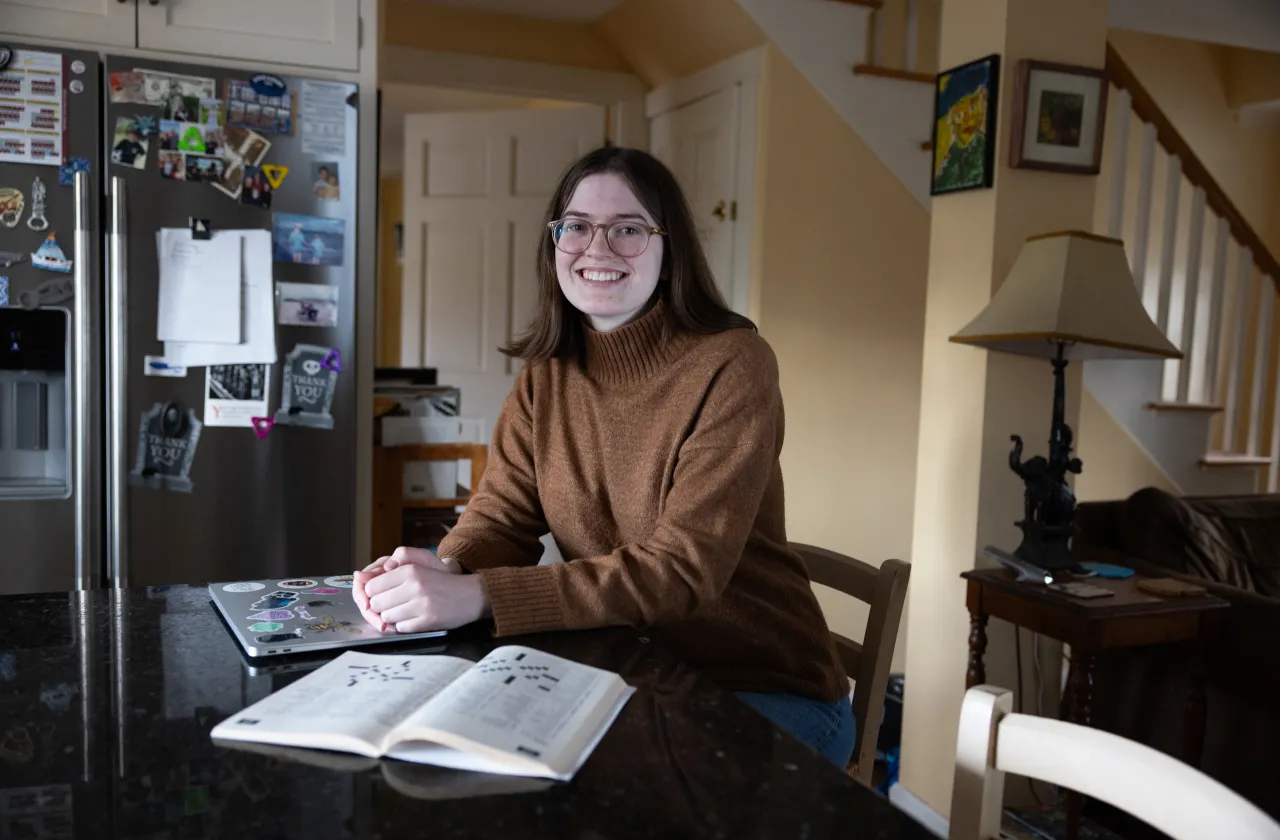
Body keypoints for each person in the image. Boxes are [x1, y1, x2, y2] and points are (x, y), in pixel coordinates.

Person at [354, 147, 854, 768]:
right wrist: (447, 570)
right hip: (631, 667)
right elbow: (502, 518)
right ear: (554, 243)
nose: (597, 248)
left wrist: (482, 596)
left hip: (759, 684)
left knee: (592, 790)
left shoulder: (733, 364)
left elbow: (683, 568)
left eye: (628, 229)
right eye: (577, 226)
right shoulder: (545, 376)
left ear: (670, 249)